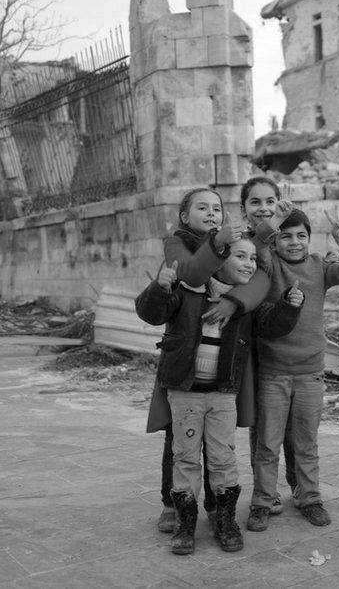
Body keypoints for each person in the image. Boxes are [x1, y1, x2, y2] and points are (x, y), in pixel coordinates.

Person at [136, 233, 302, 556]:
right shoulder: (187, 289)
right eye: (240, 256)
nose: (249, 263)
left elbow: (270, 324)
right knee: (184, 457)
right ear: (219, 259)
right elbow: (151, 312)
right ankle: (186, 523)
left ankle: (225, 520)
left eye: (253, 259)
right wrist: (160, 286)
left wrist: (288, 307)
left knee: (223, 457)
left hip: (224, 395)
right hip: (184, 393)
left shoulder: (245, 303)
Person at [146, 188, 269, 532]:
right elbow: (190, 274)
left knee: (219, 448)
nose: (211, 213)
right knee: (178, 442)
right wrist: (217, 246)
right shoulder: (176, 244)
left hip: (222, 370)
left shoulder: (233, 245)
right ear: (185, 216)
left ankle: (217, 506)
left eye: (217, 208)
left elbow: (260, 275)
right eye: (202, 207)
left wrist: (234, 301)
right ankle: (173, 503)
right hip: (184, 368)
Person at [245, 205, 339, 531]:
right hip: (273, 373)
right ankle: (262, 501)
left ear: (310, 239)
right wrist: (270, 225)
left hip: (311, 373)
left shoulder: (319, 266)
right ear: (276, 240)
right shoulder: (269, 264)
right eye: (286, 236)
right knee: (267, 444)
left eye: (302, 235)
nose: (295, 242)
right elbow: (256, 247)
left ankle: (309, 498)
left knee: (306, 443)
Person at [239, 176, 298, 515]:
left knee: (293, 423)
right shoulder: (242, 240)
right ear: (244, 209)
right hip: (252, 339)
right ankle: (267, 489)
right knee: (263, 422)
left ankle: (300, 485)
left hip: (287, 338)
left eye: (270, 201)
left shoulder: (286, 236)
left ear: (279, 201)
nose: (263, 209)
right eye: (255, 202)